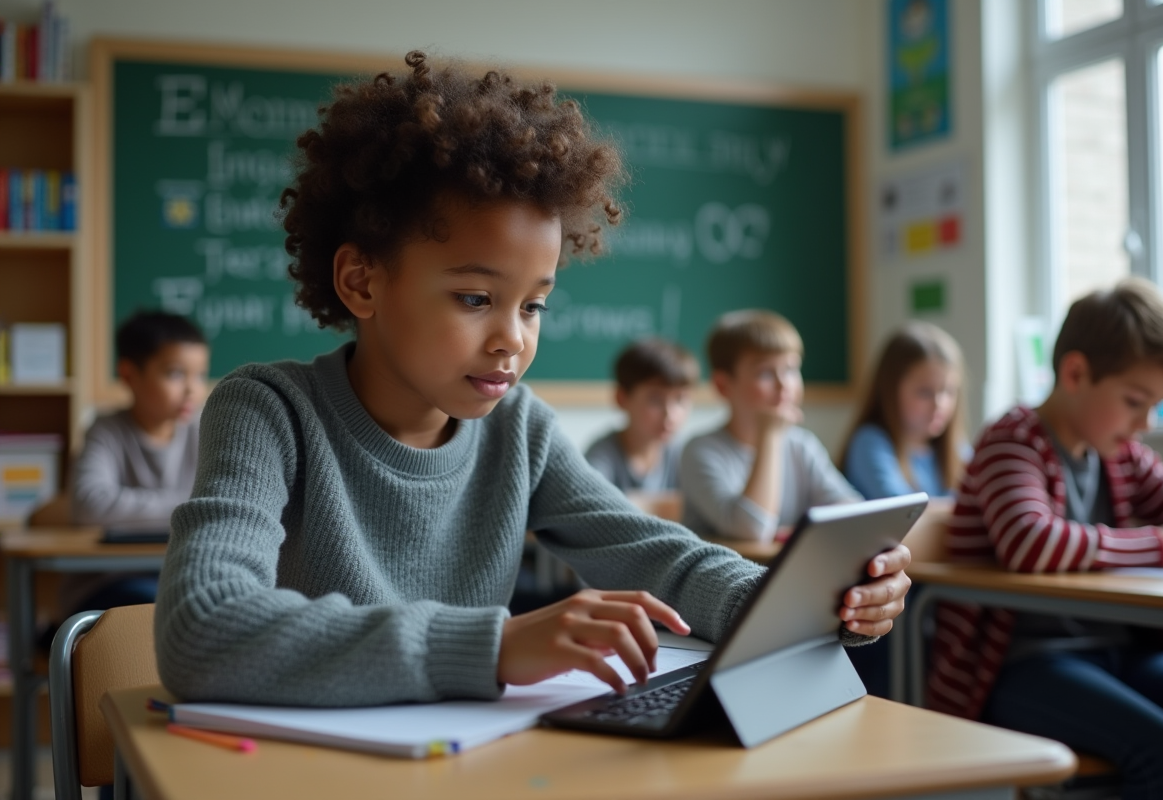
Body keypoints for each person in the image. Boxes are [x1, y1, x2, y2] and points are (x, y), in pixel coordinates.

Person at [153, 52, 911, 708]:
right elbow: (202, 629)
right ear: (361, 281)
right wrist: (491, 647)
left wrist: (797, 602)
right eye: (475, 298)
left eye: (535, 304)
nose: (513, 339)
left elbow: (664, 557)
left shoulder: (518, 428)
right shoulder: (268, 411)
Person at [928, 278, 1163, 800]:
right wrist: (1162, 546)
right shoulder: (1013, 438)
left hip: (1115, 654)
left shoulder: (1119, 453)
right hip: (1018, 663)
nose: (1146, 424)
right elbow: (1030, 542)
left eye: (1156, 406)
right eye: (1135, 401)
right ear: (1076, 373)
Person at [679, 309, 860, 544]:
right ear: (723, 385)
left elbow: (854, 512)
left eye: (791, 369)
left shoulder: (801, 445)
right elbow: (753, 530)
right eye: (765, 373)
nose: (784, 384)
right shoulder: (700, 451)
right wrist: (770, 434)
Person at [69, 309, 209, 613]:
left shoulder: (207, 430)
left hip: (183, 574)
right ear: (129, 375)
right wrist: (191, 505)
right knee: (167, 608)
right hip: (108, 582)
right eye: (175, 373)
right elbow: (88, 504)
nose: (191, 389)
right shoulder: (106, 430)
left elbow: (224, 502)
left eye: (198, 375)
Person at [841, 320, 967, 503]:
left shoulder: (956, 448)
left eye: (948, 391)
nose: (939, 404)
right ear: (890, 391)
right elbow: (906, 513)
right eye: (924, 392)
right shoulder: (870, 442)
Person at [584, 338, 697, 493]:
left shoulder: (683, 454)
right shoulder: (602, 456)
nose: (670, 415)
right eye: (655, 400)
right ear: (622, 398)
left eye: (680, 399)